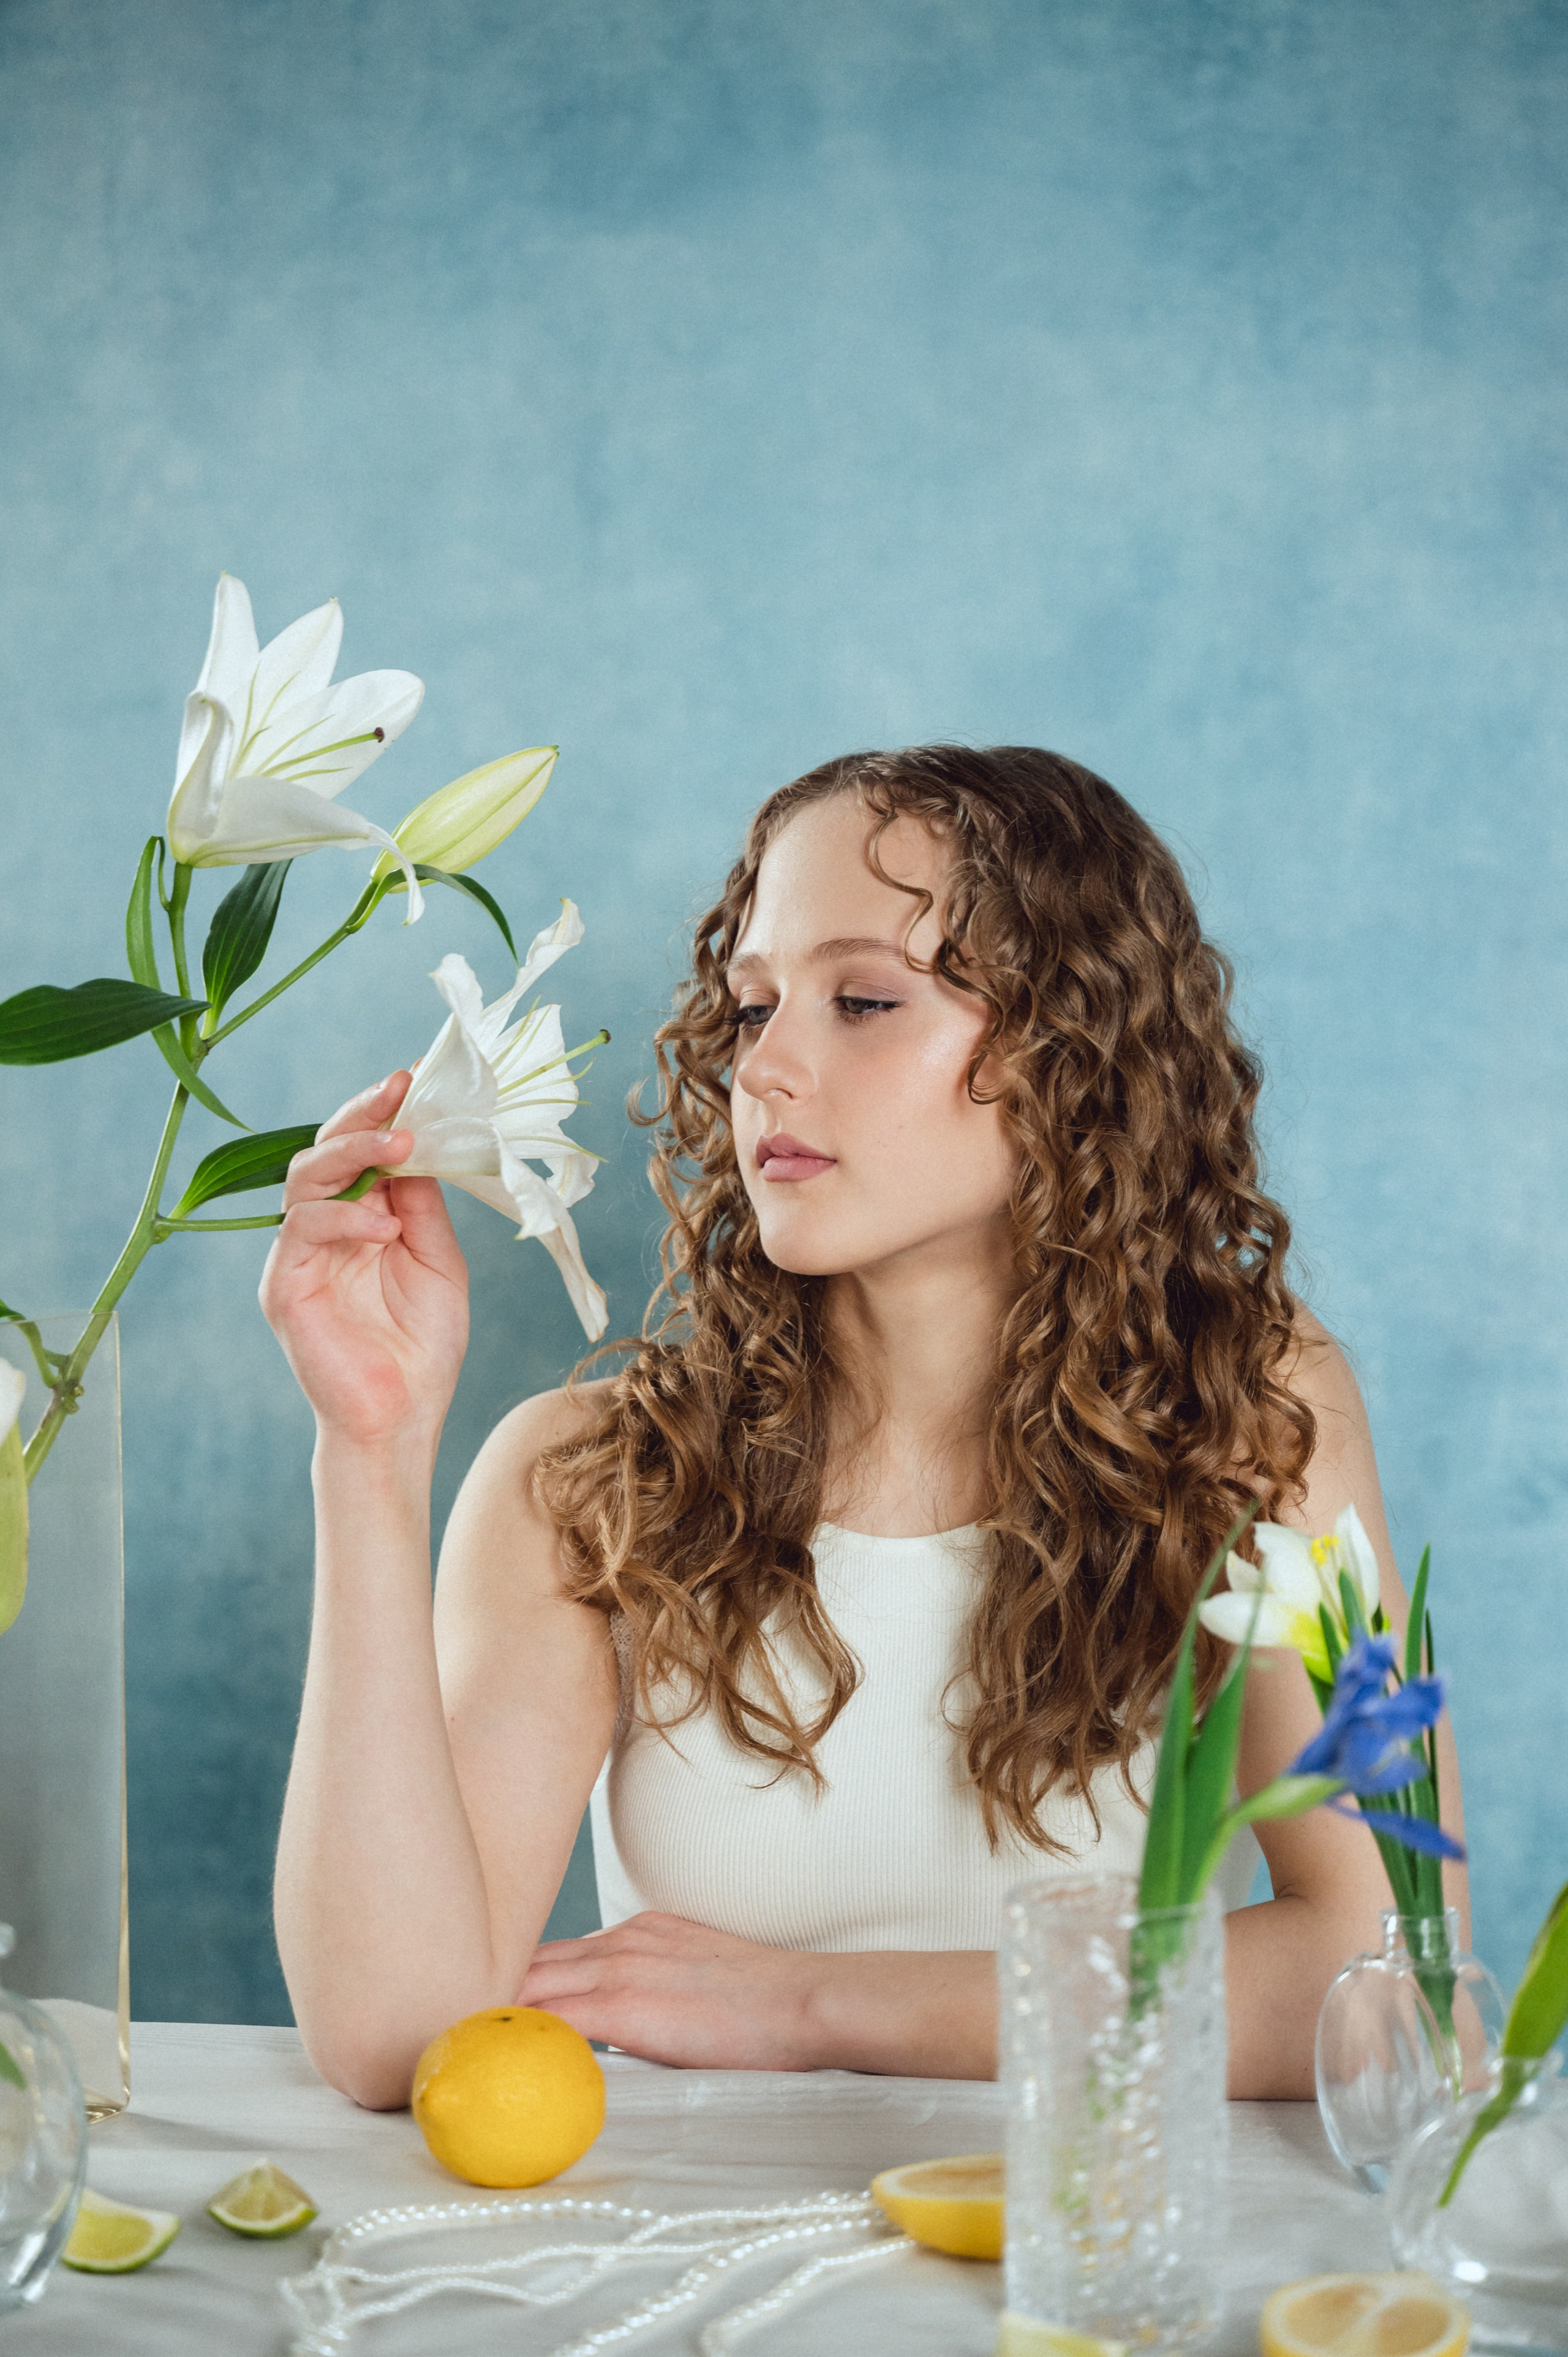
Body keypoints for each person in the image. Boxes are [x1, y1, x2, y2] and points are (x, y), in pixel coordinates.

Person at [261, 744, 1467, 2111]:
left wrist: (811, 2006)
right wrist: (369, 1450)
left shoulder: (1255, 1413)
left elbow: (1394, 1979)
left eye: (863, 999)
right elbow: (394, 2030)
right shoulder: (585, 1476)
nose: (763, 1069)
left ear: (1072, 1050)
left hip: (1084, 2274)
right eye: (755, 1003)